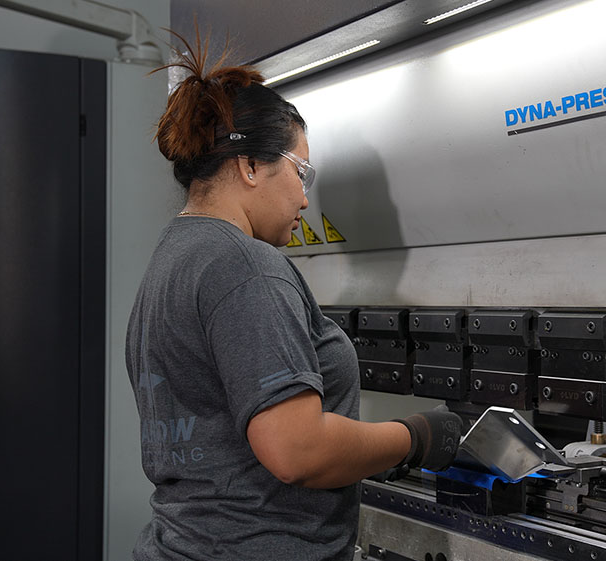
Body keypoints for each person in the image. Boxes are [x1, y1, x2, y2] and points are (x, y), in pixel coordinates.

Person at [126, 29, 463, 561]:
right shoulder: (246, 265)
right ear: (252, 166)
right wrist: (417, 436)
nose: (306, 198)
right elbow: (297, 451)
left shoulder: (172, 259)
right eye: (300, 171)